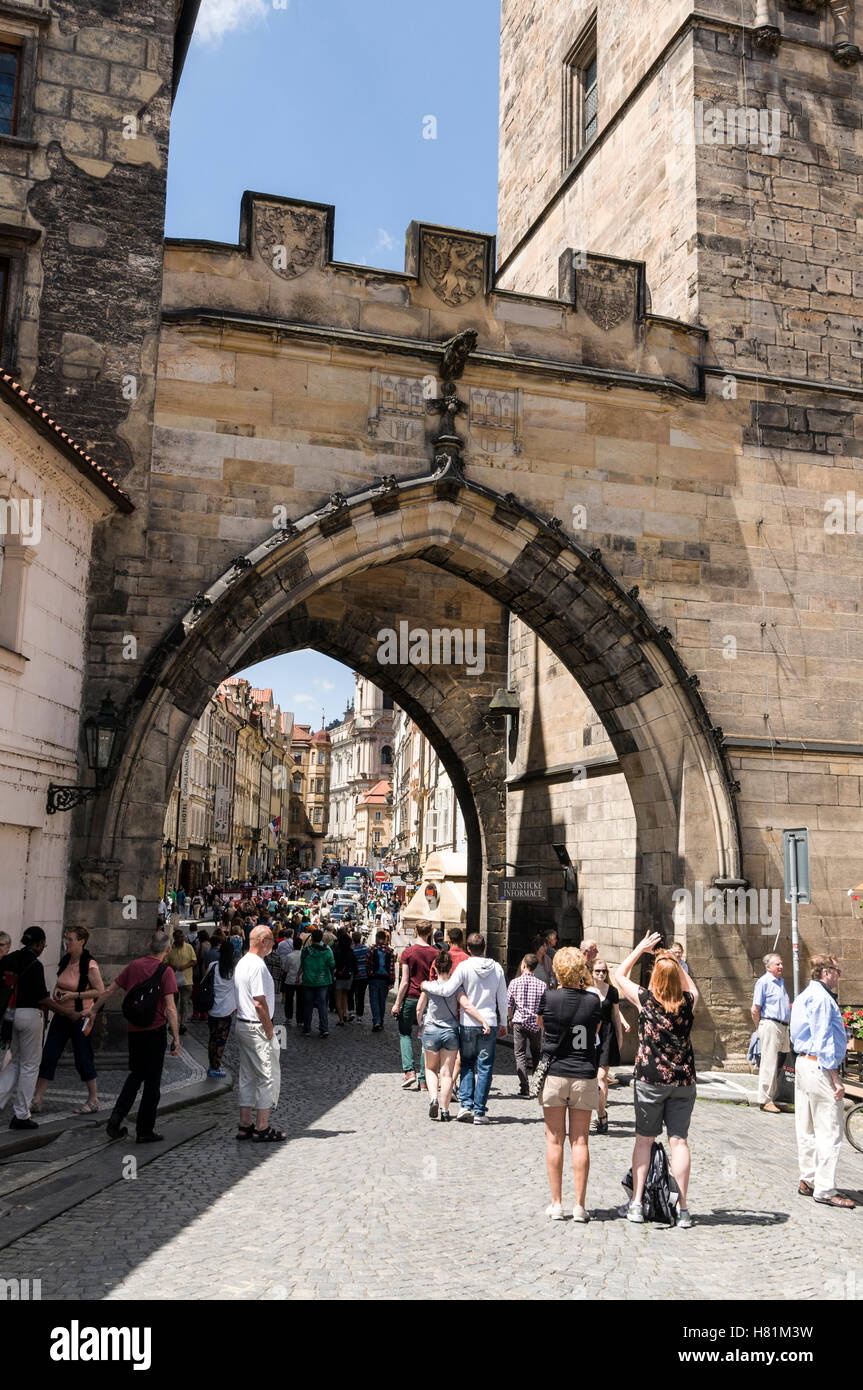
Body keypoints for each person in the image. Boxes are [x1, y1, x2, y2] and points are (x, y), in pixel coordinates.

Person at [614, 933, 698, 1229]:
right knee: (679, 1141)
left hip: (650, 1078)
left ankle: (637, 1202)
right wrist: (674, 961)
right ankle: (684, 1208)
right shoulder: (689, 1002)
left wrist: (640, 950)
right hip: (683, 1080)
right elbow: (689, 986)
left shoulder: (646, 1001)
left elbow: (618, 974)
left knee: (643, 1141)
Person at [87, 930, 181, 1144]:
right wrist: (176, 1038)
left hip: (135, 1031)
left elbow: (109, 991)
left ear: (149, 947)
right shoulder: (165, 972)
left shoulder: (134, 966)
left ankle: (115, 1119)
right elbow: (171, 1008)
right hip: (155, 1031)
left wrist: (93, 1010)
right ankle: (145, 1130)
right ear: (167, 950)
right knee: (152, 1083)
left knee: (135, 1076)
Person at [536, 947, 603, 1222]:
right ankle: (580, 1206)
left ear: (558, 971)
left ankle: (556, 1203)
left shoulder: (549, 997)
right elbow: (595, 1031)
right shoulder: (593, 1001)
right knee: (580, 1141)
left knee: (554, 1140)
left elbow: (541, 1025)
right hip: (584, 1073)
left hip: (555, 1073)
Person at [422, 932, 509, 1124]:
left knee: (468, 1063)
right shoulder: (497, 969)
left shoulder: (463, 966)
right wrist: (504, 1021)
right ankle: (479, 1111)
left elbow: (446, 990)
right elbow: (503, 998)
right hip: (490, 1021)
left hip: (468, 1022)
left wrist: (426, 985)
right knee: (485, 1067)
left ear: (468, 949)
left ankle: (466, 1106)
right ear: (484, 947)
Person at [790, 954, 855, 1209]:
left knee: (805, 1126)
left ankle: (807, 1179)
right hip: (819, 1065)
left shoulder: (805, 994)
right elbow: (824, 1040)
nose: (839, 976)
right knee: (828, 1129)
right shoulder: (823, 999)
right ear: (826, 972)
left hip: (804, 1063)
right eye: (837, 971)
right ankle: (825, 1188)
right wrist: (836, 1078)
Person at [32, 926, 105, 1115]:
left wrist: (75, 995)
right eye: (66, 938)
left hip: (81, 1017)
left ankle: (93, 1099)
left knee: (83, 1057)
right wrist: (56, 992)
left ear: (82, 941)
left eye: (70, 939)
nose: (67, 942)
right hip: (62, 1015)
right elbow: (59, 983)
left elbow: (100, 991)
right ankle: (37, 1098)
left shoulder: (89, 964)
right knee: (49, 1054)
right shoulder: (65, 960)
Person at [0, 927, 67, 1129]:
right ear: (37, 944)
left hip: (10, 1015)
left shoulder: (9, 959)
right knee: (29, 1066)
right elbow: (42, 997)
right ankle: (21, 1114)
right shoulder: (35, 965)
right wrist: (66, 1012)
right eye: (43, 944)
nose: (44, 947)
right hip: (30, 1016)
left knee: (14, 1063)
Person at [417, 949, 488, 1121]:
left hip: (432, 1030)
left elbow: (419, 1008)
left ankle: (433, 1098)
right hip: (450, 1032)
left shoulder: (428, 986)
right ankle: (445, 1110)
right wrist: (482, 1021)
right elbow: (467, 1006)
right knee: (447, 1073)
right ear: (451, 969)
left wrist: (420, 1024)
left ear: (435, 968)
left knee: (430, 1068)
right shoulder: (456, 988)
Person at [234, 924, 284, 1141]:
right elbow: (259, 1002)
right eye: (272, 940)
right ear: (263, 941)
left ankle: (245, 1124)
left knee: (246, 1076)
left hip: (242, 1024)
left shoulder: (242, 962)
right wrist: (270, 1029)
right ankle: (262, 1127)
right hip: (256, 1026)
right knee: (266, 1076)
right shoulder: (258, 966)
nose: (273, 944)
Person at [392, 923, 438, 1090]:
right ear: (430, 933)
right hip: (429, 1000)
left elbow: (404, 981)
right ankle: (424, 1078)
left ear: (416, 932)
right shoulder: (436, 954)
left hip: (411, 998)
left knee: (405, 1033)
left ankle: (409, 1072)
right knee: (426, 1038)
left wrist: (397, 1003)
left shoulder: (408, 953)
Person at [590, 957, 629, 1134]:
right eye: (598, 971)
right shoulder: (587, 990)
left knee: (601, 1077)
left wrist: (619, 1038)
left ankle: (601, 1116)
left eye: (604, 971)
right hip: (589, 1036)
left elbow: (615, 1015)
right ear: (592, 972)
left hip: (607, 1035)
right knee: (590, 1077)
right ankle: (599, 1111)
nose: (601, 974)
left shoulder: (612, 991)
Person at [751, 952, 791, 1114]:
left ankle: (773, 1097)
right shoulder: (763, 982)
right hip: (770, 1024)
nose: (781, 966)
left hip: (782, 1027)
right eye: (777, 964)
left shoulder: (780, 982)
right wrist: (758, 1027)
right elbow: (755, 1009)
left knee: (779, 1063)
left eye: (781, 964)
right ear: (768, 967)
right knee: (768, 1063)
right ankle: (765, 1100)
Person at [507, 953, 546, 1097]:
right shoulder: (542, 985)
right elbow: (544, 1008)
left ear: (523, 965)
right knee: (536, 1055)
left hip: (519, 1022)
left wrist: (510, 1018)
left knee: (520, 1055)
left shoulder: (514, 983)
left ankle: (524, 1087)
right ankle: (537, 1086)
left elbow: (509, 1005)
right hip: (536, 1023)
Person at [206, 937, 237, 1078]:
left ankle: (212, 1064)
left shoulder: (213, 965)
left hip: (212, 1008)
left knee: (212, 1037)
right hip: (226, 1010)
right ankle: (215, 1066)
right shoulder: (233, 971)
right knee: (221, 1040)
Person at [300, 929, 335, 1037]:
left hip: (308, 981)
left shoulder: (305, 951)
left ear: (312, 938)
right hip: (323, 981)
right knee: (322, 1006)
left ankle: (306, 1029)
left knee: (308, 1006)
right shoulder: (326, 951)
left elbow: (302, 964)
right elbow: (332, 965)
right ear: (321, 939)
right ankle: (324, 1029)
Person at [166, 927, 197, 1034]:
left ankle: (182, 1024)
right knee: (173, 1003)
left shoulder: (189, 947)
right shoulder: (170, 949)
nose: (182, 939)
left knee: (184, 1003)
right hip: (173, 980)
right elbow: (165, 962)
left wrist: (185, 966)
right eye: (179, 937)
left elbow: (194, 961)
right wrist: (172, 966)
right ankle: (172, 1023)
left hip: (187, 980)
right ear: (175, 938)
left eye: (183, 937)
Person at [367, 931, 395, 1031]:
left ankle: (376, 1021)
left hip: (374, 978)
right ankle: (381, 1022)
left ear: (376, 938)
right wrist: (392, 981)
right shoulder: (389, 951)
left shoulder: (372, 949)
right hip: (385, 979)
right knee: (382, 1001)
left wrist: (368, 975)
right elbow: (392, 968)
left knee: (374, 1000)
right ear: (385, 939)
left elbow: (368, 964)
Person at [332, 927, 357, 1026]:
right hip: (348, 976)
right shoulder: (350, 951)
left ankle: (341, 1018)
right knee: (345, 995)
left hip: (338, 975)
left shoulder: (336, 950)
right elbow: (354, 963)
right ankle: (345, 1013)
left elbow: (333, 963)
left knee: (338, 997)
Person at [279, 933, 303, 1026]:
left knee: (289, 1000)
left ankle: (288, 1017)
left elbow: (286, 969)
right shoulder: (303, 955)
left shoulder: (289, 956)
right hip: (301, 981)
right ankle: (300, 1020)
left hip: (290, 980)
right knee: (300, 1001)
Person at [350, 930, 369, 1022]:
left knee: (351, 993)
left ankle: (351, 1011)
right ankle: (359, 1016)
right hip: (364, 975)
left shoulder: (351, 950)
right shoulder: (366, 949)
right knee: (361, 995)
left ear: (353, 939)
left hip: (353, 975)